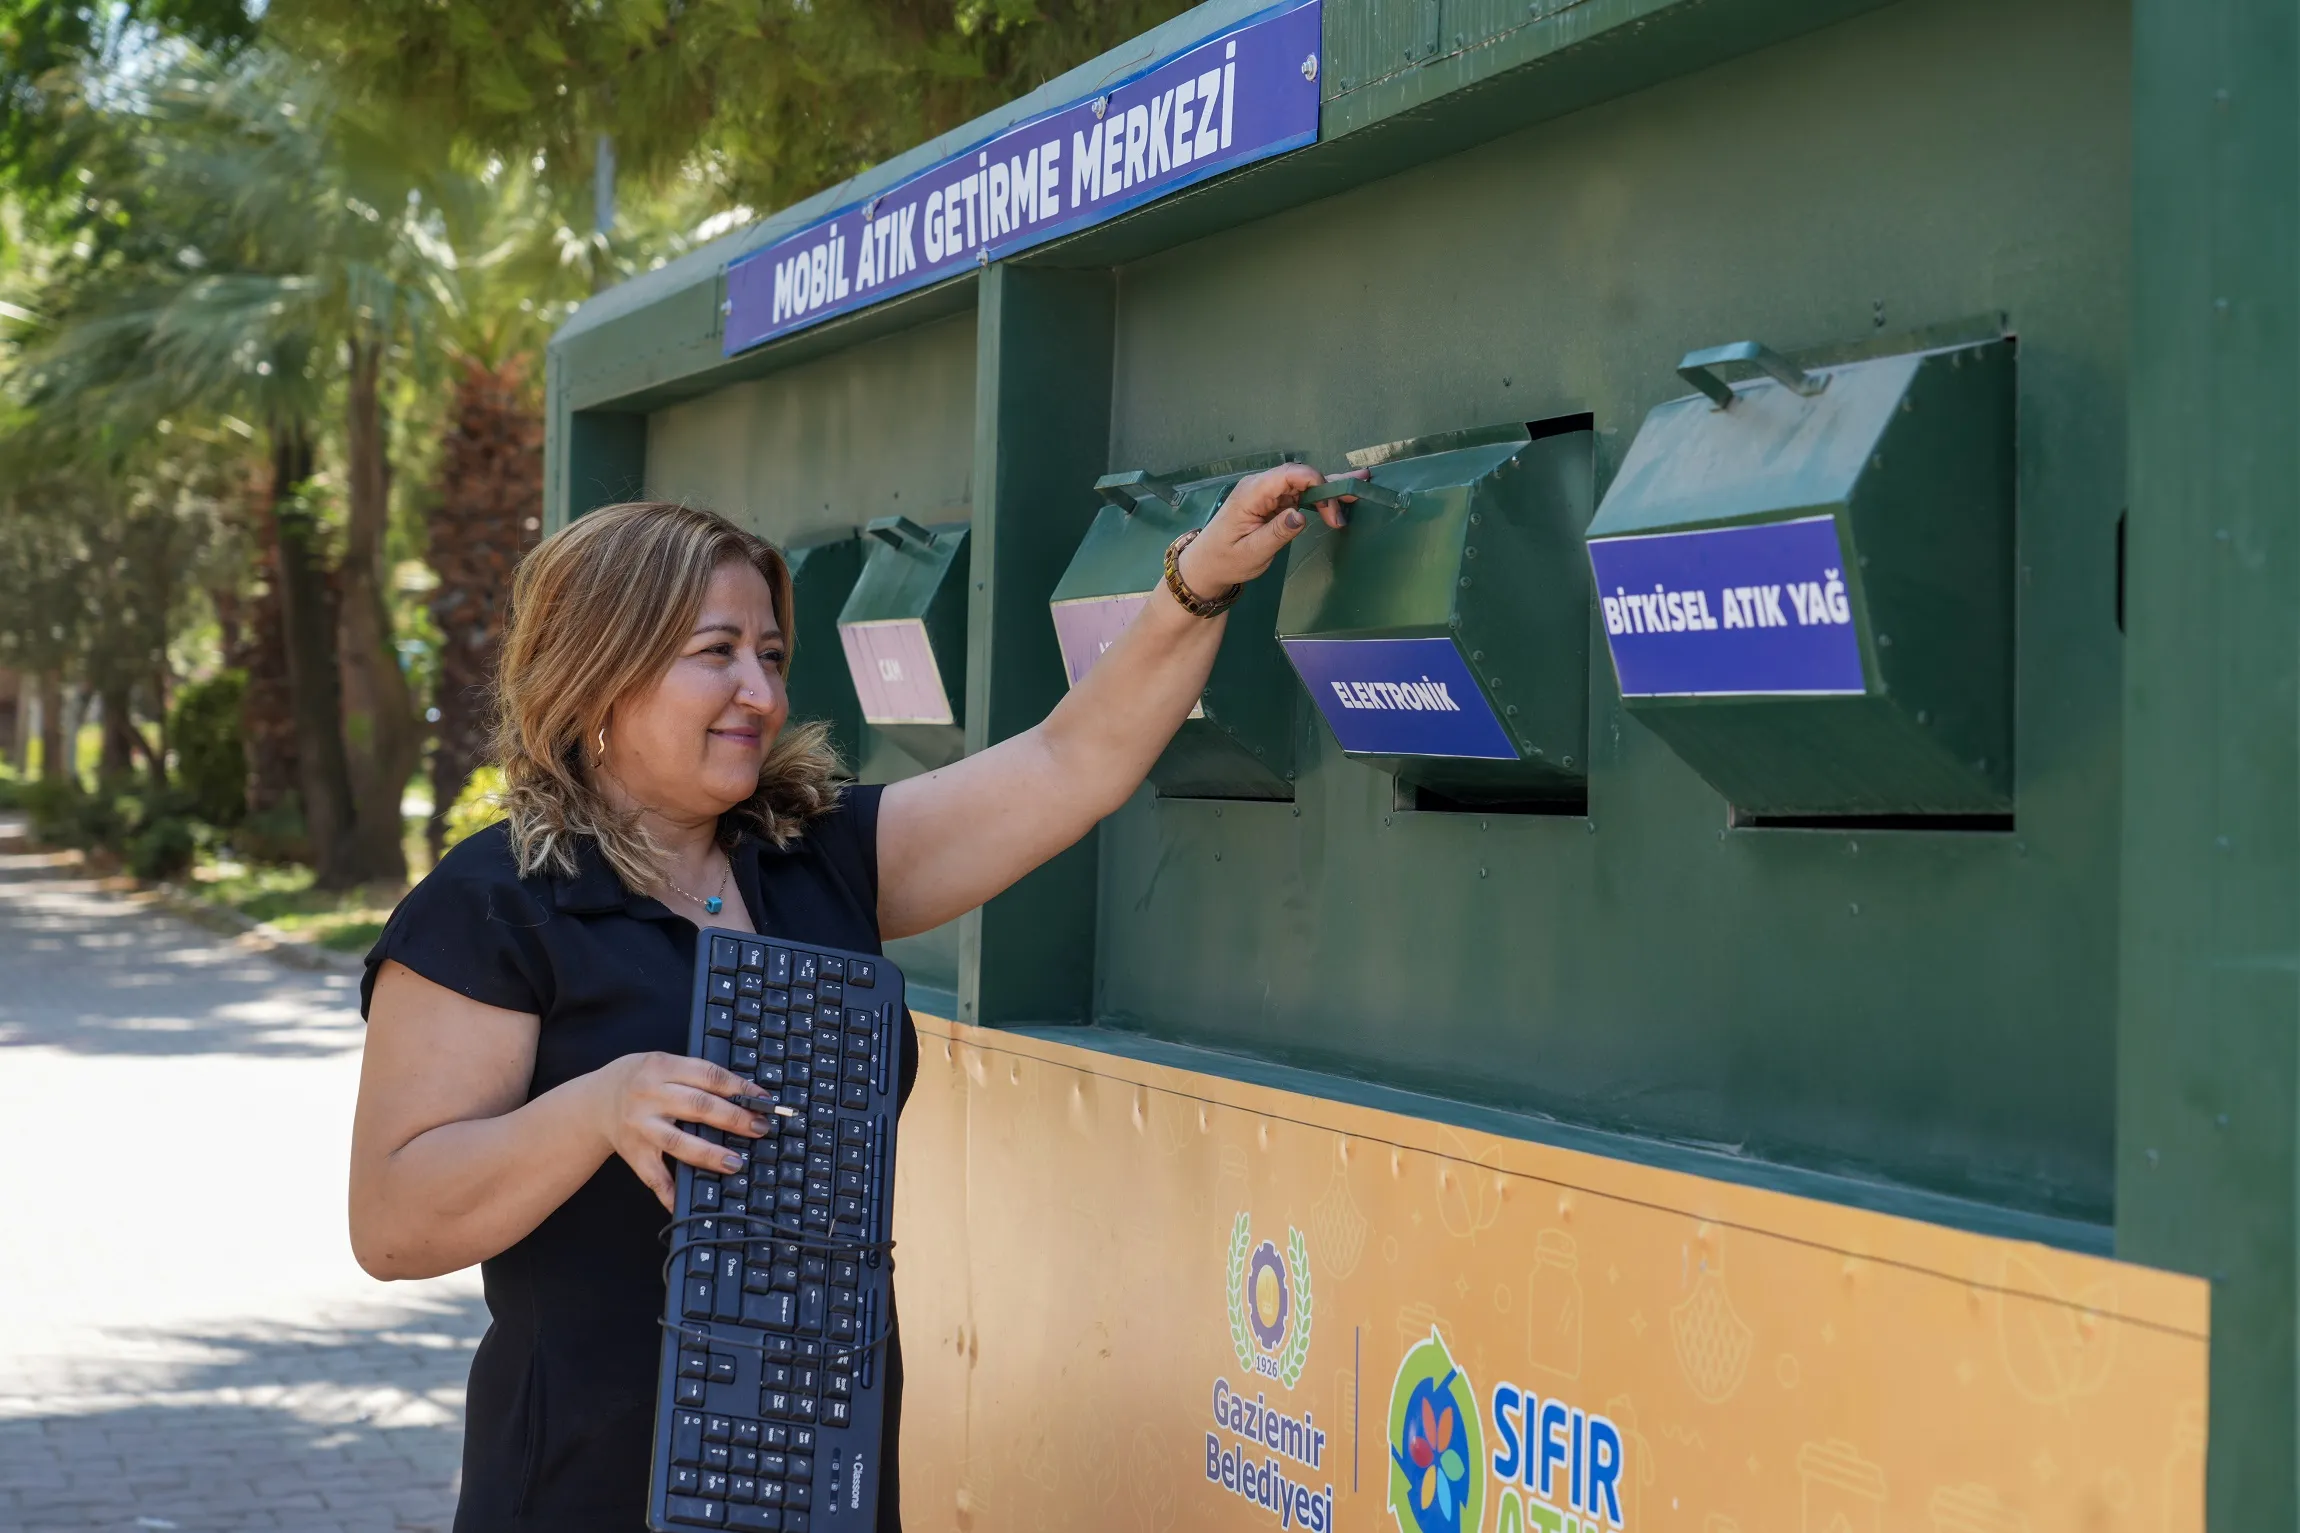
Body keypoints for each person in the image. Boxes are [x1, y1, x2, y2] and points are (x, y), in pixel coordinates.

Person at [347, 463, 1353, 1533]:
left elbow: (1073, 760)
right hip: (588, 1485)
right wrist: (598, 1109)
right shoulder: (491, 908)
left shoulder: (817, 857)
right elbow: (394, 1224)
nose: (761, 693)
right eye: (715, 655)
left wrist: (1196, 582)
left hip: (817, 1468)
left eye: (770, 657)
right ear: (600, 672)